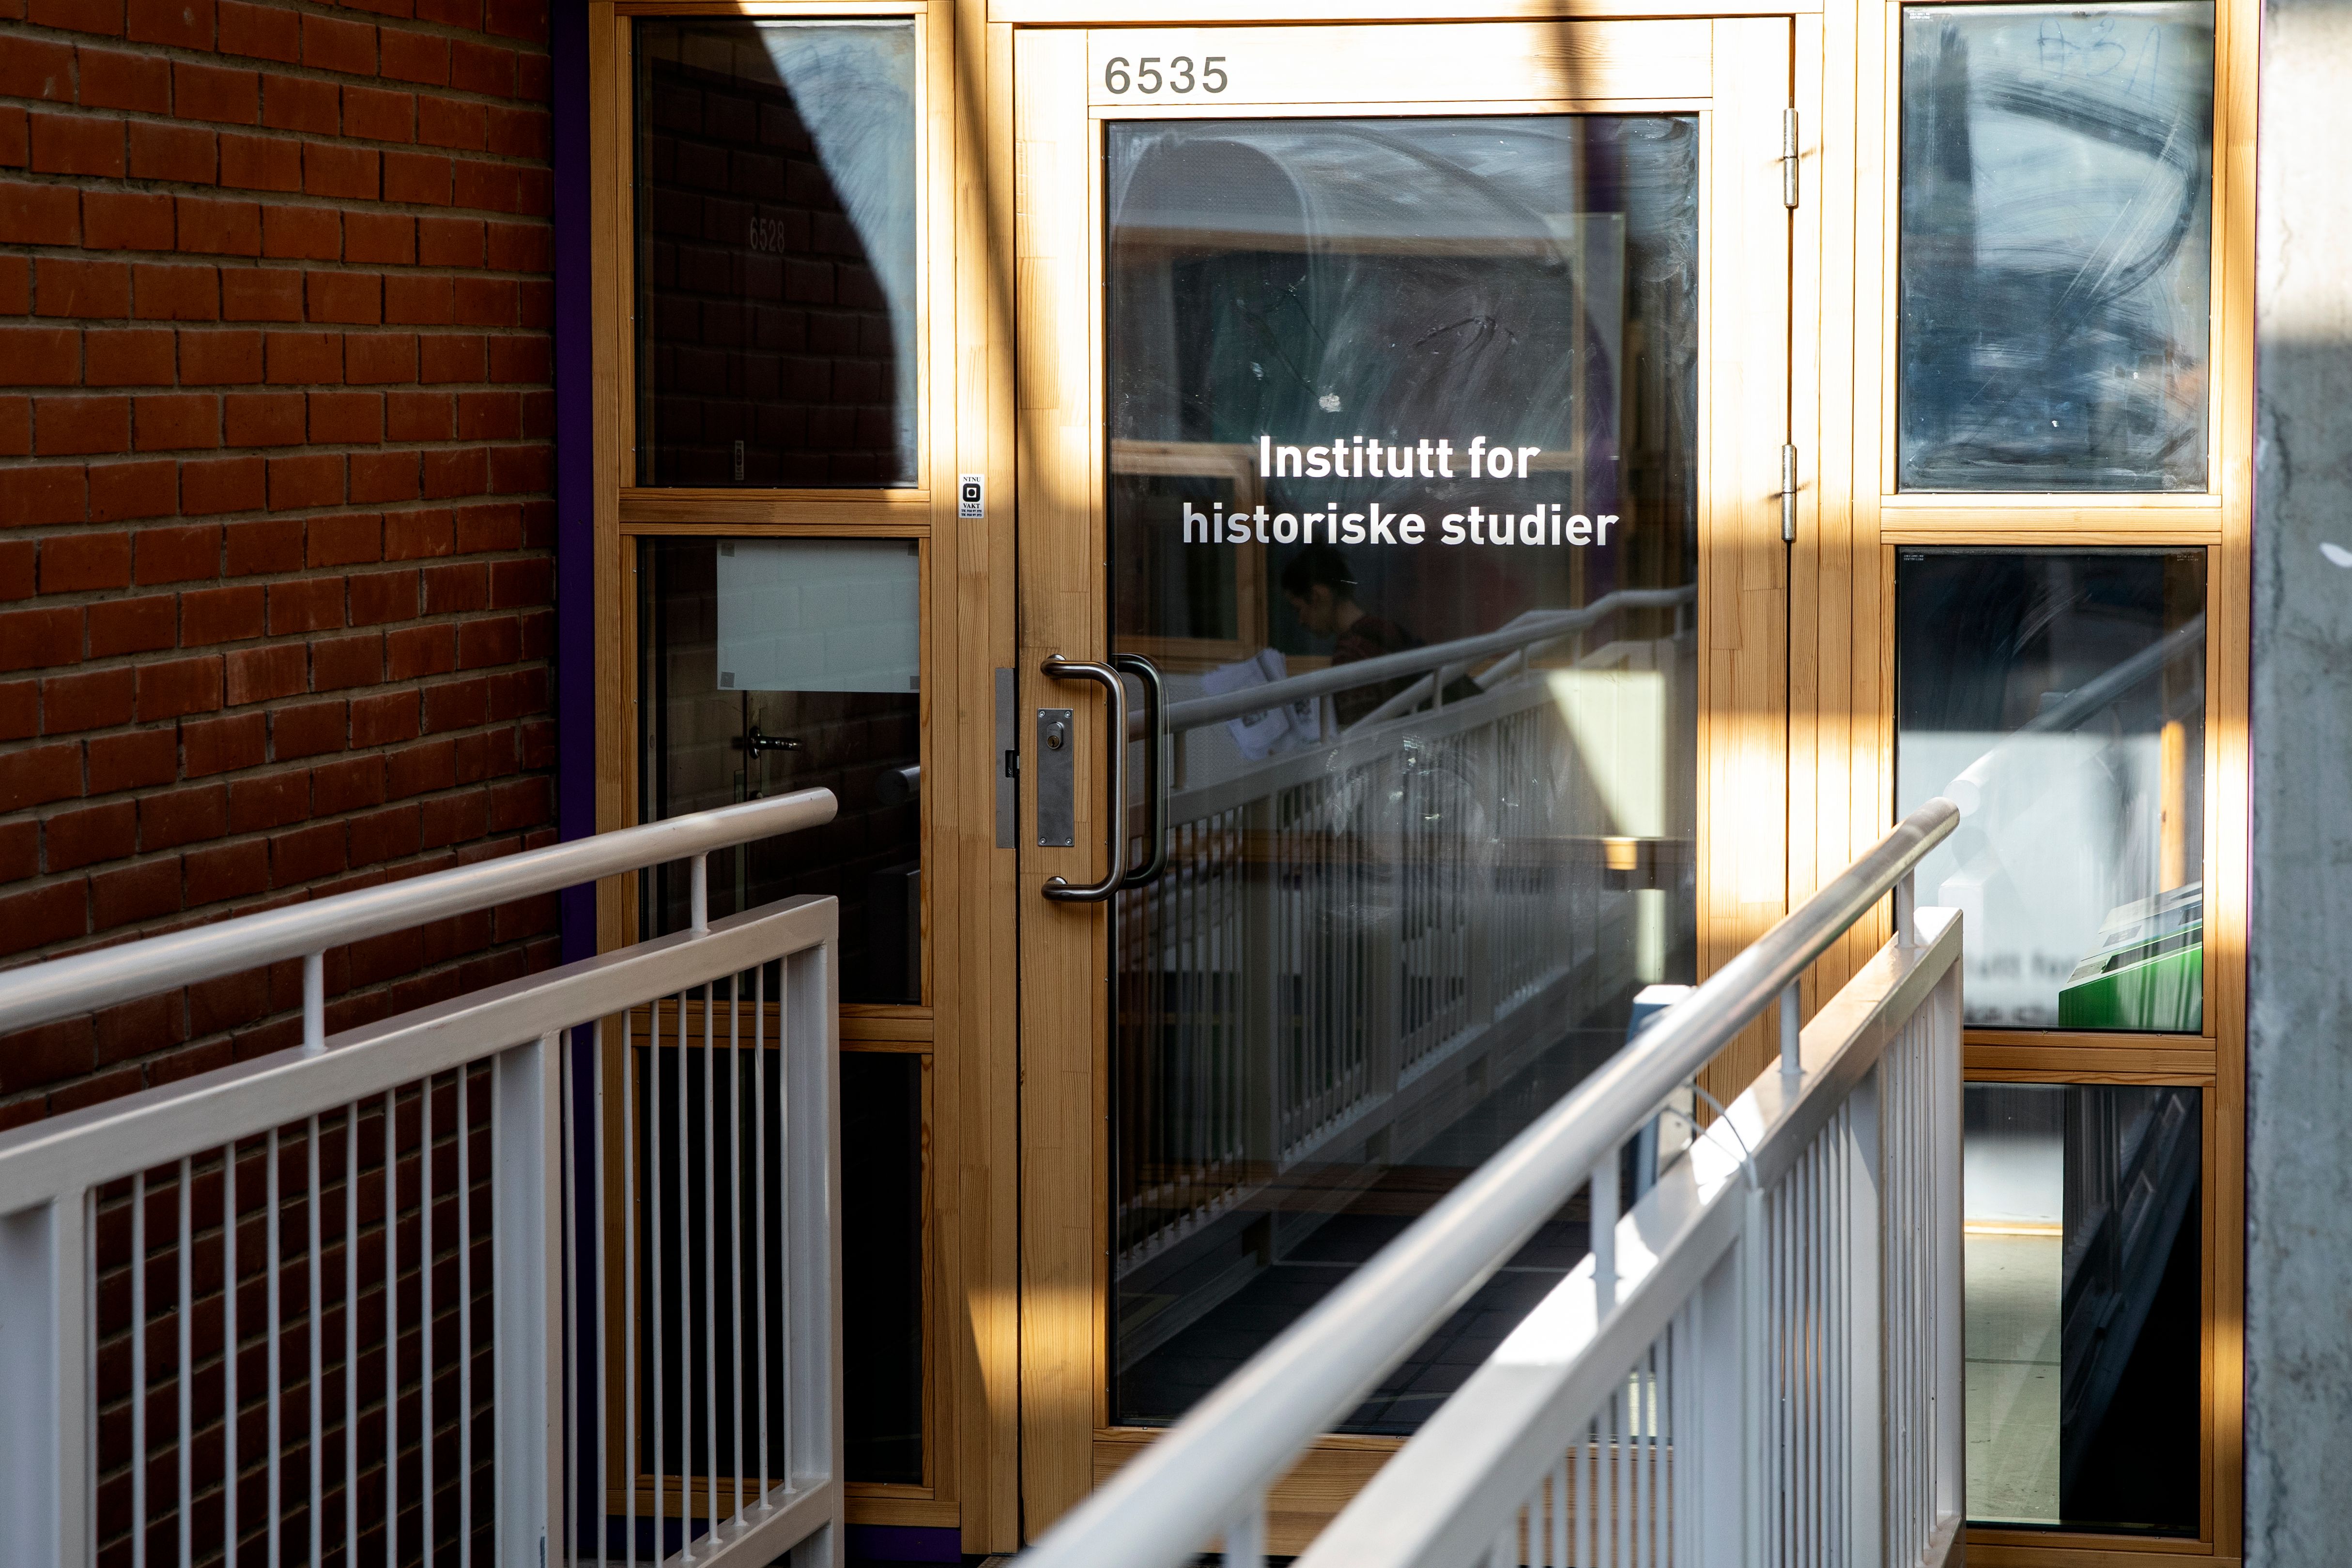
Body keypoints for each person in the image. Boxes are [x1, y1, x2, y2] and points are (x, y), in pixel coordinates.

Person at [1280, 546, 1430, 726]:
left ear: (1317, 596)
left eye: (1298, 609)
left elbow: (1357, 735)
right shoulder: (1387, 630)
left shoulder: (1349, 656)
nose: (1301, 621)